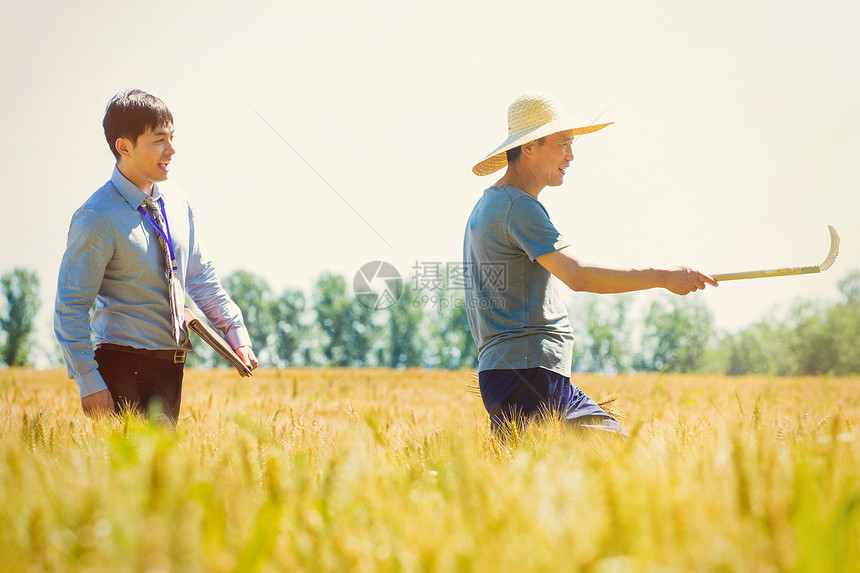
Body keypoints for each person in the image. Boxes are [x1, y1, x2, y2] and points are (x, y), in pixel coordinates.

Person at [464, 92, 717, 436]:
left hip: (512, 374)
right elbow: (578, 274)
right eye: (564, 144)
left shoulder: (488, 206)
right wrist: (664, 277)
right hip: (529, 373)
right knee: (618, 456)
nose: (571, 155)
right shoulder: (517, 207)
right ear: (528, 147)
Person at [54, 89, 258, 424]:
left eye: (172, 137)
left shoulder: (178, 201)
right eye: (159, 140)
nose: (172, 149)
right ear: (124, 147)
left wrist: (236, 335)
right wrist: (89, 381)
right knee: (148, 473)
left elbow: (200, 276)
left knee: (158, 475)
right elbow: (70, 306)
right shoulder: (97, 216)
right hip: (122, 366)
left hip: (171, 366)